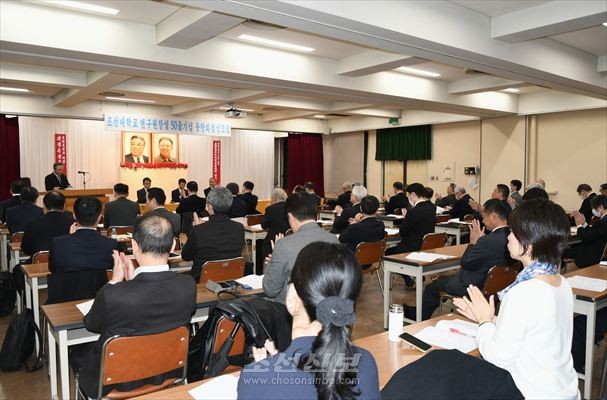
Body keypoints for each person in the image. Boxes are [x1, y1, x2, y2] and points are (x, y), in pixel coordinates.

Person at [453, 199, 578, 399]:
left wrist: (485, 322)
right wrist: (488, 318)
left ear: (528, 242)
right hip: (562, 389)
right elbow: (532, 330)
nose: (508, 237)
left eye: (513, 232)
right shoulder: (561, 282)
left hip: (529, 392)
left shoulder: (523, 292)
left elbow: (497, 357)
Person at [72, 213, 196, 398]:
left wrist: (115, 282)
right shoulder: (188, 285)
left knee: (76, 354)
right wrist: (132, 283)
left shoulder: (114, 293)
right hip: (167, 371)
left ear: (134, 246)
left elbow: (91, 325)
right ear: (173, 246)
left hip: (115, 381)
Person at [238, 242, 380, 399]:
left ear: (292, 298)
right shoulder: (366, 363)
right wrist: (277, 362)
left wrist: (269, 367)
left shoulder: (255, 378)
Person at [407, 199, 512, 320]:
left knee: (432, 287)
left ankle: (419, 317)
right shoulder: (513, 236)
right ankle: (418, 311)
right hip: (496, 286)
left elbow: (466, 262)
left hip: (472, 286)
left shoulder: (488, 241)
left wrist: (473, 243)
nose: (483, 221)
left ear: (493, 217)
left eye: (484, 217)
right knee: (444, 278)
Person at [263, 192, 339, 304]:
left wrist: (272, 261)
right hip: (323, 303)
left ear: (290, 217)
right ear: (317, 215)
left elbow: (270, 289)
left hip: (291, 310)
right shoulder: (334, 240)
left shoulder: (284, 245)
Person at [181, 187, 244, 283]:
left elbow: (186, 256)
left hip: (202, 280)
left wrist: (193, 234)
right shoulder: (239, 228)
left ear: (209, 207)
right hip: (231, 277)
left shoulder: (198, 230)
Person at [49, 196, 118, 273]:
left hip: (69, 285)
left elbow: (53, 269)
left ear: (74, 215)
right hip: (100, 285)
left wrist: (70, 238)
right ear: (99, 218)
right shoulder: (111, 245)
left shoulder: (58, 243)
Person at [385, 183, 436, 287]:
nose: (409, 198)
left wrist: (406, 218)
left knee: (388, 252)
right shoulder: (431, 208)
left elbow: (403, 232)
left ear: (413, 194)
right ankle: (413, 276)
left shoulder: (414, 211)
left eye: (409, 195)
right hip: (426, 246)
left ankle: (408, 278)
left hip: (412, 247)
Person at [21, 191, 74, 262]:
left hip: (38, 264)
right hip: (66, 263)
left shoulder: (31, 224)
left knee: (17, 269)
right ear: (64, 206)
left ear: (44, 205)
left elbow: (26, 249)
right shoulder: (73, 223)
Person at [563, 195, 607, 268]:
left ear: (600, 208)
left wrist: (579, 225)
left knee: (561, 251)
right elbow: (593, 233)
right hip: (594, 250)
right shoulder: (603, 220)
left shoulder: (603, 222)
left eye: (593, 208)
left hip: (590, 253)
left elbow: (586, 237)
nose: (593, 211)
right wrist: (584, 223)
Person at [261, 188, 290, 263]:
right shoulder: (291, 208)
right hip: (289, 239)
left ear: (274, 198)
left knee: (260, 244)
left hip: (273, 241)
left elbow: (264, 226)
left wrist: (265, 212)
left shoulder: (270, 209)